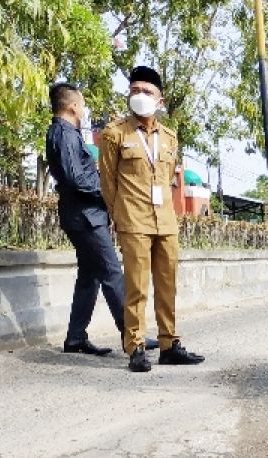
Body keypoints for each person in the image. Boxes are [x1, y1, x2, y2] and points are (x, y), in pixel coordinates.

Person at [99, 66, 205, 373]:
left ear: (160, 100)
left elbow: (169, 178)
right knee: (137, 286)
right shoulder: (115, 133)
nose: (140, 96)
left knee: (168, 284)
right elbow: (108, 183)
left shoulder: (170, 137)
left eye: (147, 92)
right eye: (135, 91)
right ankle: (135, 346)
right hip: (133, 220)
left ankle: (169, 344)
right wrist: (119, 215)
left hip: (166, 221)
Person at [46, 82, 154, 357]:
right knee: (111, 272)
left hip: (84, 215)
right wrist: (107, 189)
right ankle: (133, 337)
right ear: (72, 106)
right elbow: (74, 177)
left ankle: (75, 338)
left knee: (89, 276)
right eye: (81, 104)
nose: (84, 109)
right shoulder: (63, 133)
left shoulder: (66, 133)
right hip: (84, 217)